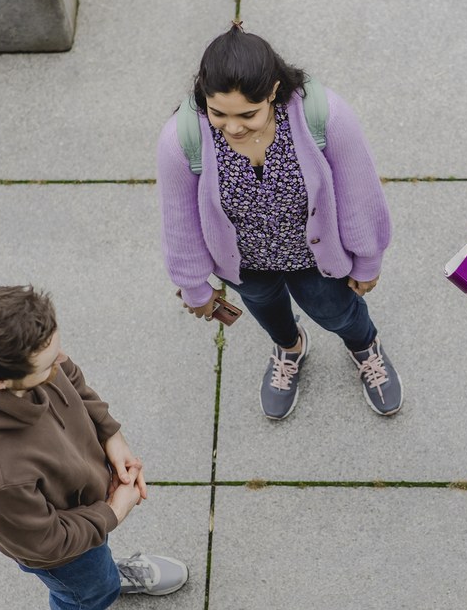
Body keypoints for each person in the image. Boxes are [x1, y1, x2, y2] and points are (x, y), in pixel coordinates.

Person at [0, 285, 188, 610]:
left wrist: (110, 434)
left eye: (56, 351)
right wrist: (112, 512)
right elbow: (48, 543)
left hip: (78, 506)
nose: (60, 365)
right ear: (0, 383)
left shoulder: (0, 351)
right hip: (59, 550)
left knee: (96, 563)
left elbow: (69, 375)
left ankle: (106, 572)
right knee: (85, 588)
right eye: (47, 366)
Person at [157, 22, 402, 420]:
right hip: (245, 265)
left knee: (339, 312)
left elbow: (360, 193)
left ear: (273, 91)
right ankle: (290, 348)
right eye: (218, 112)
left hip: (314, 258)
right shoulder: (180, 139)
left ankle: (364, 347)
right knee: (267, 311)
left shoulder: (326, 116)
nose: (232, 127)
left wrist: (368, 258)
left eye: (248, 114)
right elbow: (178, 219)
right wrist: (193, 287)